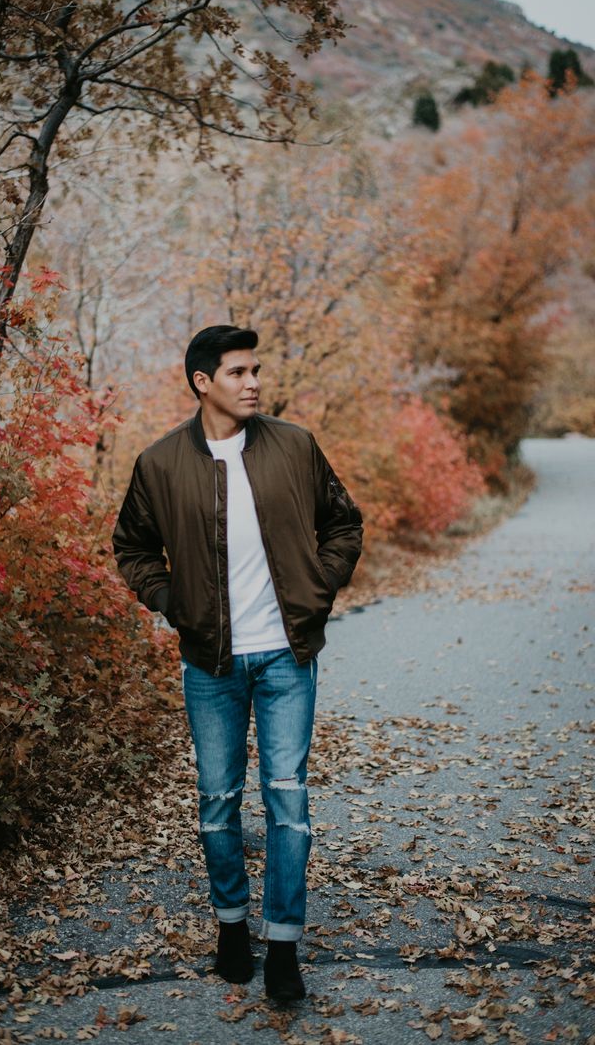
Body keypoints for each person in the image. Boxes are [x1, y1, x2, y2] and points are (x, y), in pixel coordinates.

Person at [112, 324, 363, 1003]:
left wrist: (316, 590)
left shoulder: (294, 446)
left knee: (288, 801)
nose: (253, 382)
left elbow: (344, 524)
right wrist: (175, 603)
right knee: (218, 802)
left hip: (287, 655)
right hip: (211, 664)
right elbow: (132, 549)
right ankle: (231, 927)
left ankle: (282, 946)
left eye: (256, 370)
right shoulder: (160, 464)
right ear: (203, 382)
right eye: (237, 372)